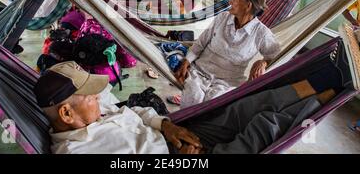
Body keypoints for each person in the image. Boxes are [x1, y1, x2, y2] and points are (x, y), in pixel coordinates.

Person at [34, 60, 345, 154]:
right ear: (65, 113)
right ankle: (333, 94)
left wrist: (167, 126)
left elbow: (137, 112)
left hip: (175, 136)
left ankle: (328, 77)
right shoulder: (78, 152)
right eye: (90, 96)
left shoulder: (90, 110)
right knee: (263, 130)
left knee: (243, 108)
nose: (99, 98)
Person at [168, 0, 280, 107]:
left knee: (212, 105)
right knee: (194, 96)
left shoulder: (261, 33)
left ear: (248, 6)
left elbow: (275, 54)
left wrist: (263, 62)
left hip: (227, 82)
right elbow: (200, 43)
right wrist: (186, 62)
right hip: (200, 72)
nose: (230, 2)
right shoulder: (222, 18)